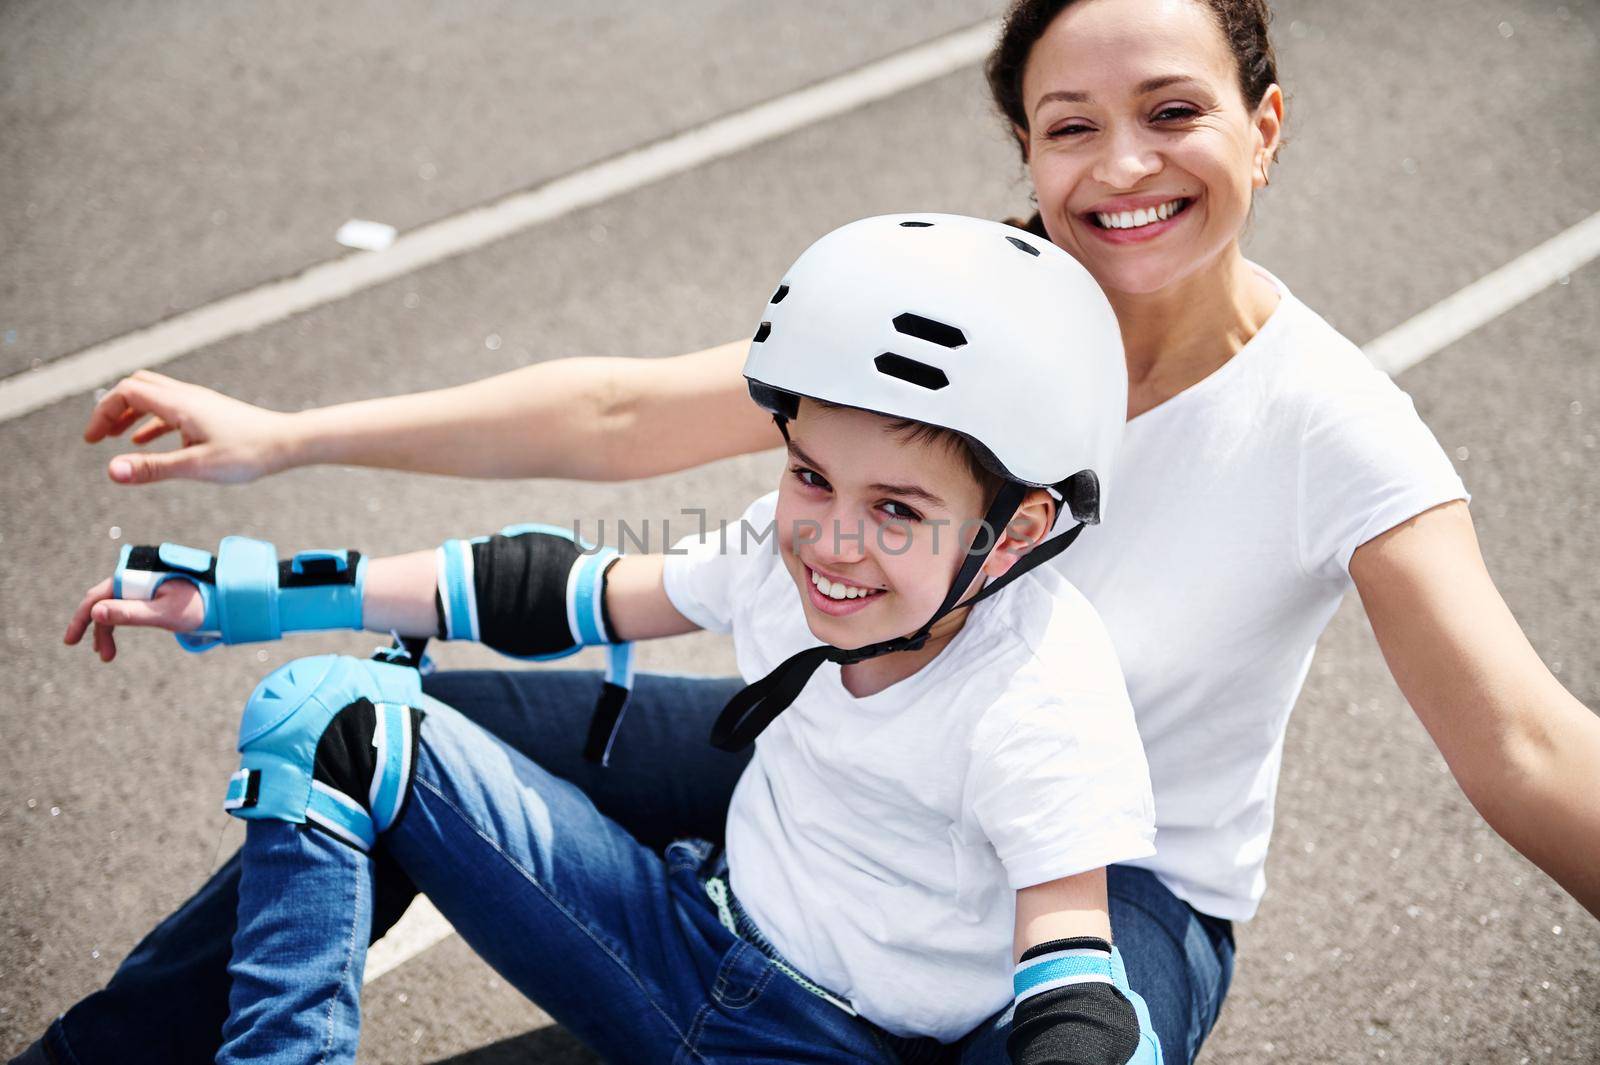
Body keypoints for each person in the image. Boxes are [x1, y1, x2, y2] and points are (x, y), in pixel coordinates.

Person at [24, 0, 1600, 1063]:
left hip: (1108, 876)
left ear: (1264, 125)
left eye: (1173, 112)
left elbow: (1527, 744)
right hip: (868, 726)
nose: (1121, 167)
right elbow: (624, 424)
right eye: (1070, 127)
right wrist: (281, 445)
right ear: (1026, 149)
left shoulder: (1331, 424)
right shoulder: (962, 316)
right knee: (407, 714)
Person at [73, 215, 1167, 1064]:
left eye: (897, 510)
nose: (833, 539)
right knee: (330, 718)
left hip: (832, 1044)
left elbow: (1069, 967)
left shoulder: (1041, 693)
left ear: (1016, 532)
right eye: (809, 475)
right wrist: (249, 595)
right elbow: (565, 594)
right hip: (687, 952)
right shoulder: (796, 556)